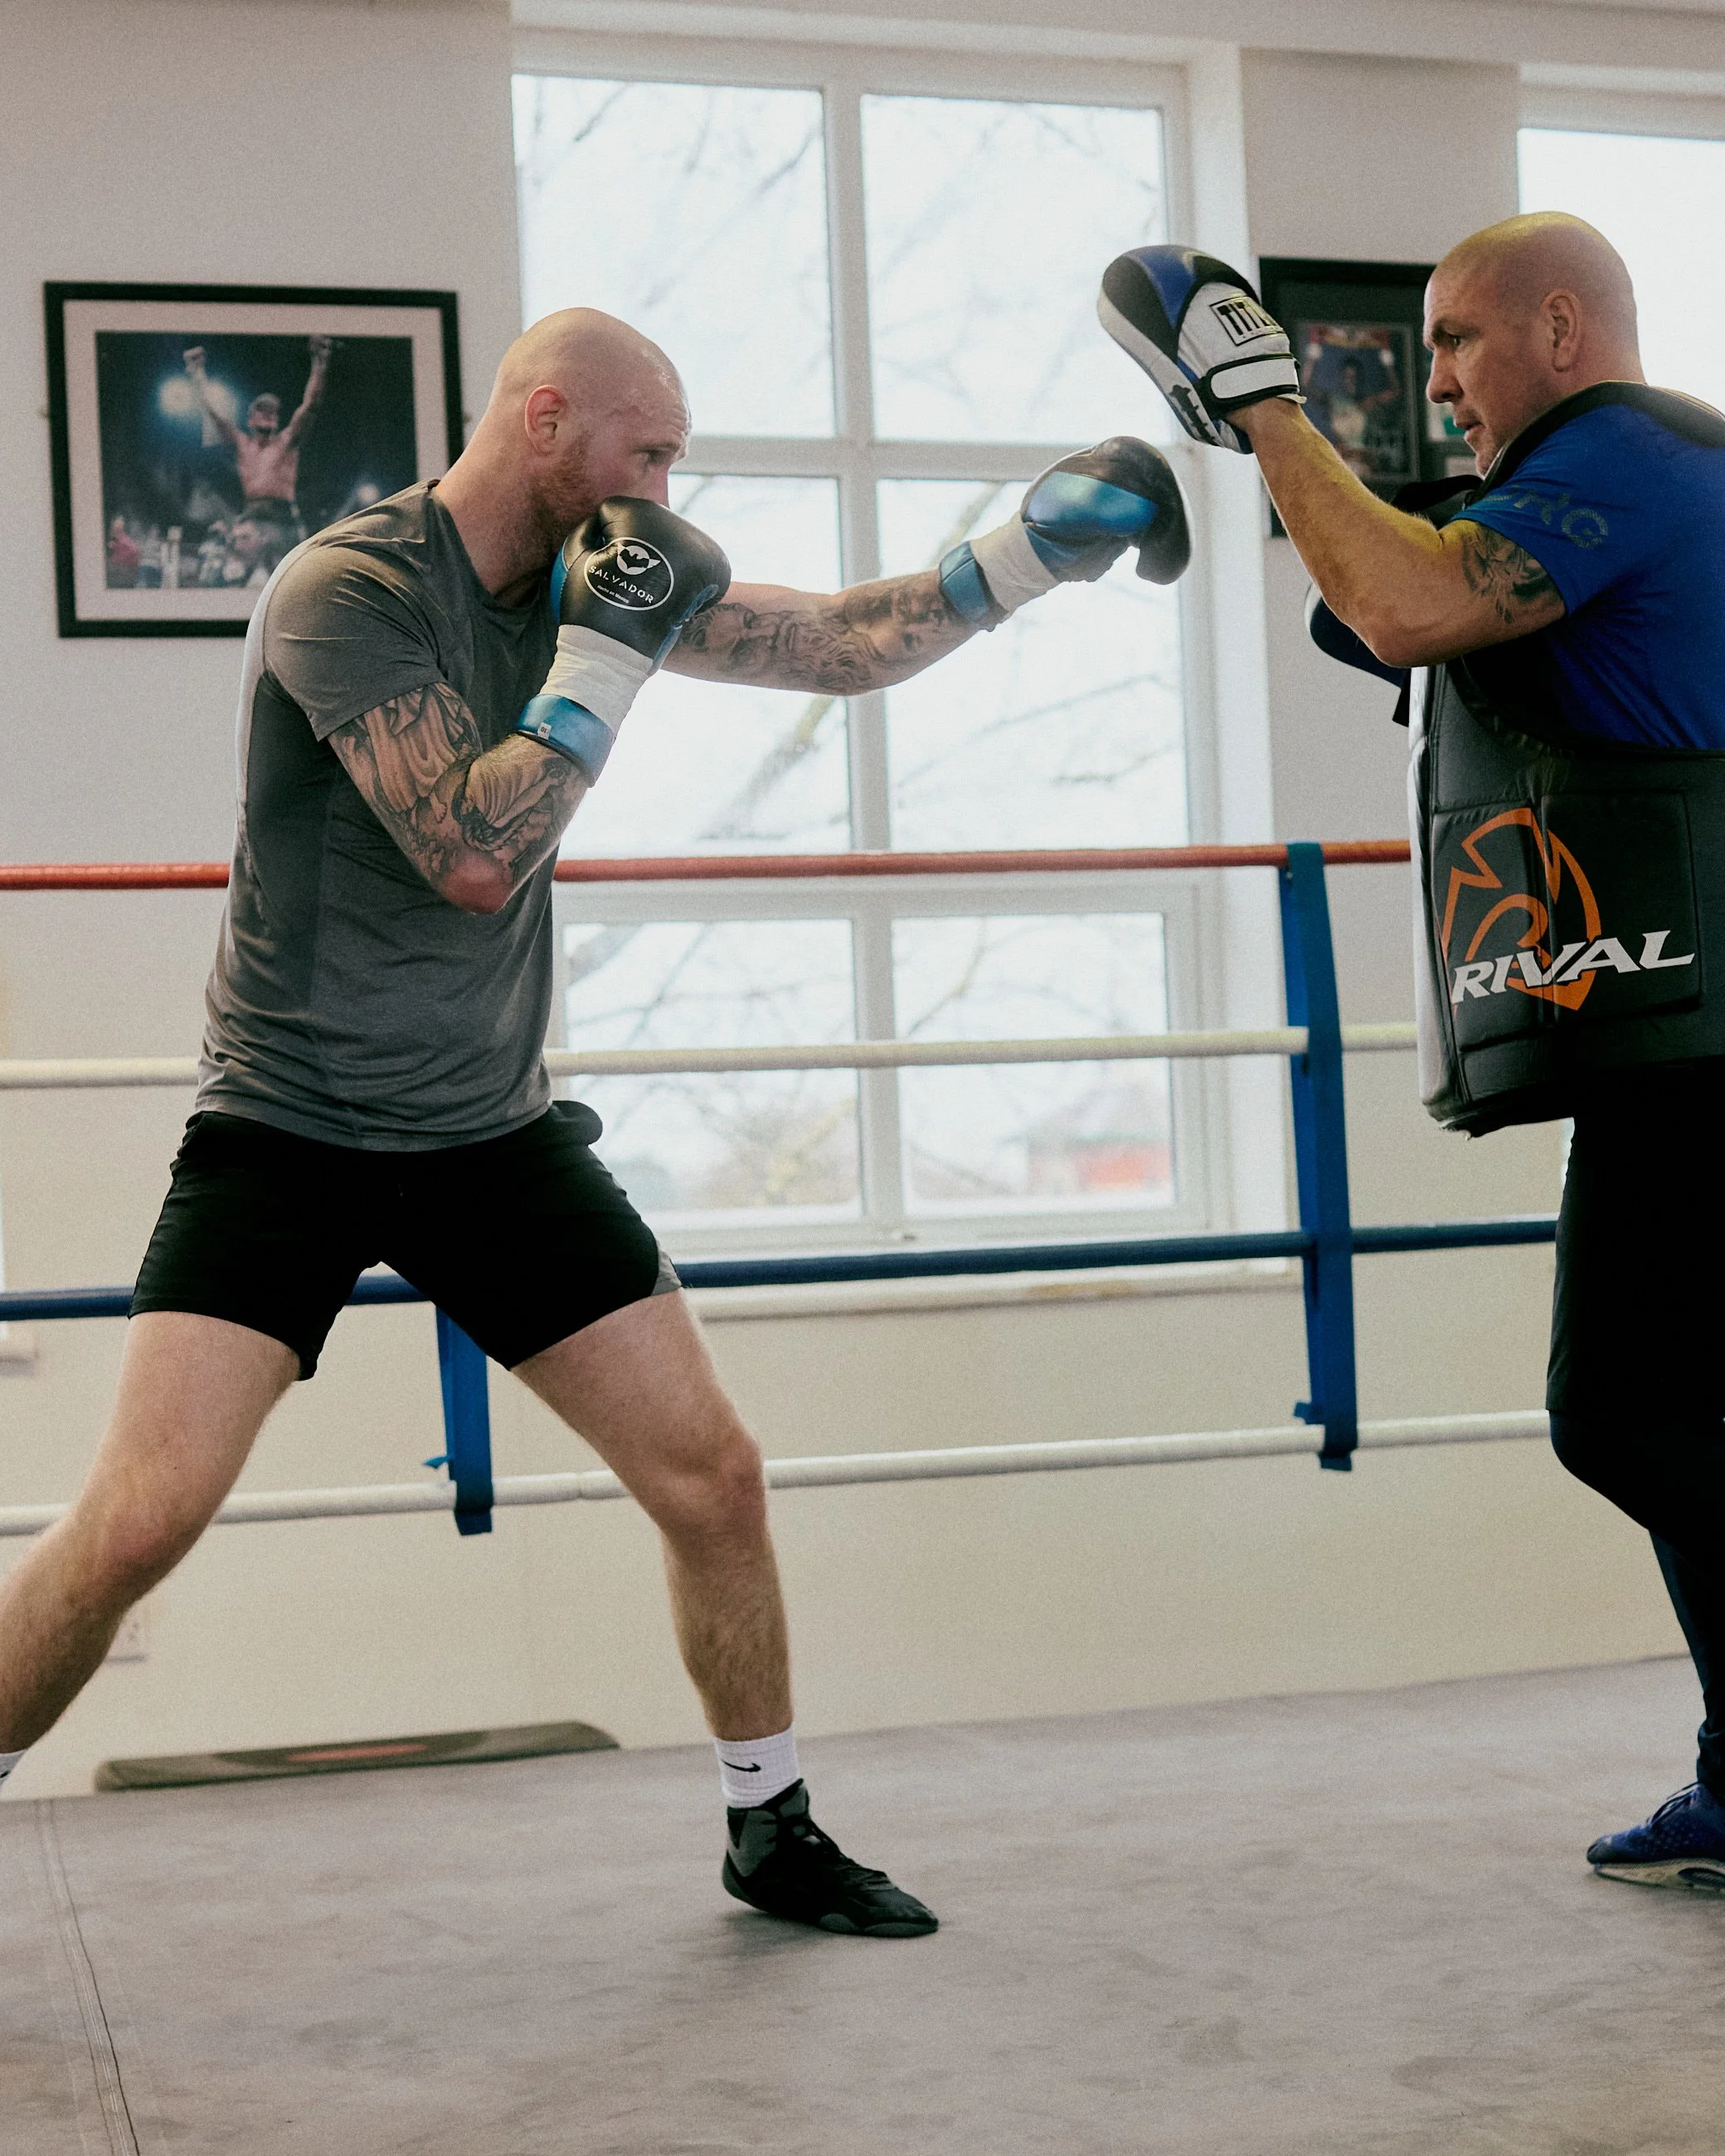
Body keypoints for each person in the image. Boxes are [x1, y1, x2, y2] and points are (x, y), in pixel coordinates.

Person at [0, 308, 1188, 1936]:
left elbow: (836, 643)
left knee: (711, 1476)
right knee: (138, 1519)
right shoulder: (344, 592)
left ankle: (769, 1824)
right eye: (647, 452)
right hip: (287, 1127)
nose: (664, 486)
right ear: (546, 422)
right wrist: (610, 650)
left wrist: (1031, 552)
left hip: (490, 1136)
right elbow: (475, 848)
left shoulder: (594, 582)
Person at [1102, 214, 1725, 1896]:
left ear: (1557, 324)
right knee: (1655, 1407)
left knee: (1631, 1410)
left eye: (1451, 341)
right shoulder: (1588, 498)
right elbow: (1367, 587)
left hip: (1710, 1050)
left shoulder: (1630, 464)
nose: (1436, 378)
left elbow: (1392, 602)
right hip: (1677, 1036)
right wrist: (1251, 462)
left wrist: (1264, 405)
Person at [184, 335, 332, 575]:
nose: (269, 415)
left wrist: (320, 362)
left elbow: (311, 404)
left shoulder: (287, 440)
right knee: (235, 572)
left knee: (297, 575)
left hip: (282, 515)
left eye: (273, 412)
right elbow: (212, 412)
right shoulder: (243, 444)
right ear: (251, 420)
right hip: (252, 514)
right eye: (262, 411)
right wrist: (196, 371)